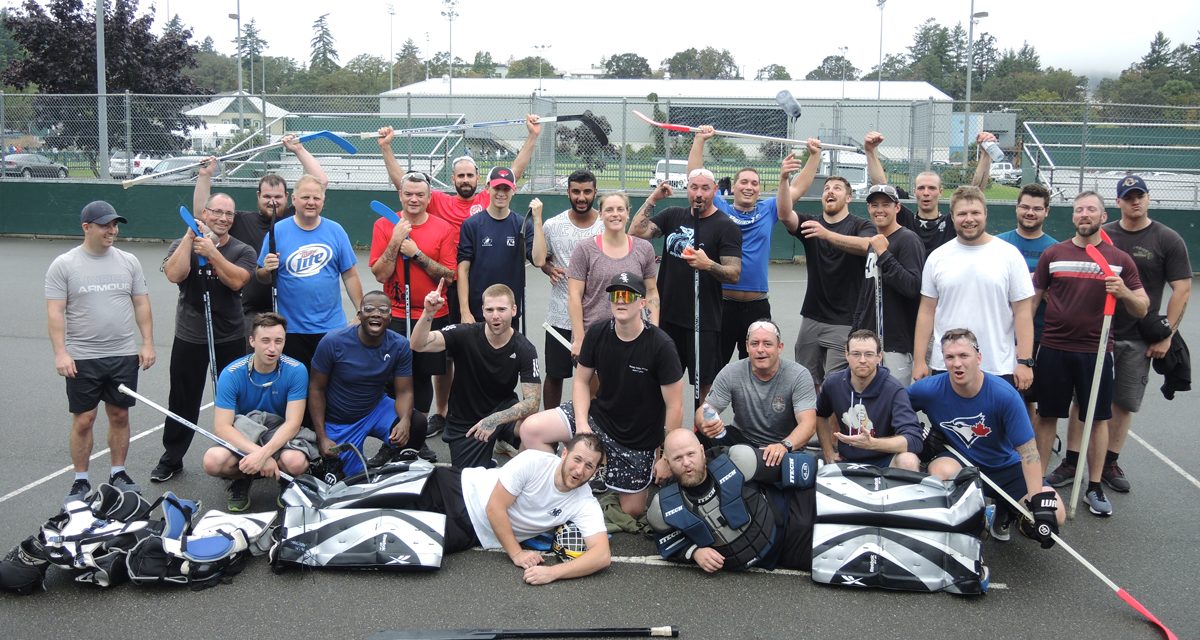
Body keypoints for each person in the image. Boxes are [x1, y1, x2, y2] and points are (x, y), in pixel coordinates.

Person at [518, 272, 684, 518]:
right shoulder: (597, 333)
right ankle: (562, 483)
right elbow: (582, 382)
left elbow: (675, 407)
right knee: (531, 429)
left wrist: (666, 457)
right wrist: (583, 424)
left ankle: (601, 469)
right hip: (599, 418)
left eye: (627, 295)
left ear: (642, 303)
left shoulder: (661, 346)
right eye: (616, 295)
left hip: (636, 438)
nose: (620, 300)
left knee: (633, 511)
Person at [1032, 191, 1148, 517]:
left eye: (1091, 210)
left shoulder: (1120, 259)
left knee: (1096, 418)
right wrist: (1024, 347)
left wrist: (1123, 291)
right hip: (1053, 347)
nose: (1084, 214)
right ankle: (1039, 482)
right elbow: (1033, 300)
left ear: (1102, 216)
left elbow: (1141, 307)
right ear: (1073, 217)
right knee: (1046, 415)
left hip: (1096, 352)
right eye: (1079, 209)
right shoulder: (1053, 254)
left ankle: (1094, 486)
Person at [1085, 175, 1191, 492]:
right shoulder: (1102, 235)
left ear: (1147, 198)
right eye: (1128, 197)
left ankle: (1109, 463)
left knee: (1124, 403)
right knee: (1086, 400)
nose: (1135, 201)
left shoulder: (1167, 239)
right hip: (1096, 334)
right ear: (1117, 202)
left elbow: (1182, 290)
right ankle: (1077, 460)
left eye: (1140, 195)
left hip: (1136, 336)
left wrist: (1166, 334)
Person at [909, 329, 1064, 546]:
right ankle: (969, 521)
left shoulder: (1004, 395)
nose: (957, 363)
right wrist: (917, 435)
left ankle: (1006, 510)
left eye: (964, 356)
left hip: (1004, 467)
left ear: (979, 357)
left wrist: (1037, 500)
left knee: (1055, 512)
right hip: (960, 462)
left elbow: (1029, 453)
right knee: (940, 472)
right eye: (950, 357)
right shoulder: (928, 390)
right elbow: (897, 411)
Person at [389, 434, 611, 585]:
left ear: (594, 471)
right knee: (381, 495)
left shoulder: (584, 502)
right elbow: (495, 506)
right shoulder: (534, 461)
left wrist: (552, 573)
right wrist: (516, 553)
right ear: (564, 454)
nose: (580, 470)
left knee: (391, 541)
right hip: (457, 487)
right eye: (577, 459)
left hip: (469, 530)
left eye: (589, 466)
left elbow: (601, 556)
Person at [46, 201, 156, 504]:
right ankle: (81, 480)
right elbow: (55, 312)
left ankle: (118, 472)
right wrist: (61, 353)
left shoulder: (129, 261)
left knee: (120, 414)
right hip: (82, 356)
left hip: (122, 354)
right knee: (84, 419)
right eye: (106, 225)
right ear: (87, 227)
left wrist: (147, 342)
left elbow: (141, 303)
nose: (113, 230)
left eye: (115, 225)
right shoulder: (64, 265)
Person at [151, 194, 256, 483]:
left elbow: (237, 281)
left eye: (229, 214)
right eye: (217, 212)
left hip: (229, 335)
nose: (223, 219)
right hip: (191, 334)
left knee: (235, 397)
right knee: (183, 398)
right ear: (205, 214)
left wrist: (212, 252)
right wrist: (189, 237)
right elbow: (174, 274)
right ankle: (172, 456)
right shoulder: (181, 244)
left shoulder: (242, 249)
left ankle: (237, 453)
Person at [193, 134, 328, 339]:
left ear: (287, 197)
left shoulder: (296, 216)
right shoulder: (241, 220)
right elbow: (201, 212)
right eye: (267, 197)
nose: (272, 202)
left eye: (277, 197)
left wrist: (298, 150)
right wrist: (205, 175)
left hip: (291, 310)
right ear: (258, 197)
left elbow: (321, 183)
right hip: (251, 311)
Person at [630, 168, 743, 407]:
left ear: (714, 190)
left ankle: (702, 436)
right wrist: (653, 198)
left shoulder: (726, 227)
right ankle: (661, 438)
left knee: (704, 384)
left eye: (705, 188)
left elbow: (733, 273)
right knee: (661, 379)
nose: (699, 194)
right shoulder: (673, 215)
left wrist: (708, 264)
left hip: (703, 321)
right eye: (694, 187)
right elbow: (636, 232)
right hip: (668, 318)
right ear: (687, 189)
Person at [687, 127, 800, 363]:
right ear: (734, 186)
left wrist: (815, 156)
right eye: (744, 182)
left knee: (755, 368)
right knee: (716, 367)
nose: (749, 187)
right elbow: (696, 177)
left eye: (755, 183)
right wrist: (699, 140)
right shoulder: (721, 208)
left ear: (760, 189)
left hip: (757, 306)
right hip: (724, 304)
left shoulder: (769, 209)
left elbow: (796, 190)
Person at [912, 186, 1035, 388]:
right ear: (952, 217)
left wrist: (1024, 361)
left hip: (998, 367)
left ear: (985, 214)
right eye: (962, 213)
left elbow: (1022, 312)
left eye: (975, 212)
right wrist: (919, 361)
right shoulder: (937, 258)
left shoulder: (1009, 255)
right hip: (948, 366)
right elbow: (926, 311)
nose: (969, 219)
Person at [410, 282, 541, 469]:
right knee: (470, 480)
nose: (495, 315)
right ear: (482, 310)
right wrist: (428, 313)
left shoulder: (525, 349)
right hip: (465, 420)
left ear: (514, 310)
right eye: (490, 309)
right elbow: (418, 344)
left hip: (502, 412)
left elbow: (532, 402)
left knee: (537, 432)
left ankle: (510, 448)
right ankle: (486, 459)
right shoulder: (465, 334)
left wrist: (494, 420)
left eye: (502, 309)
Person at [646, 430, 817, 572]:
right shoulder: (665, 505)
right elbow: (666, 540)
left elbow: (803, 470)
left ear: (701, 450)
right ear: (667, 462)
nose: (687, 462)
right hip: (785, 556)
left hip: (792, 530)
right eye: (678, 458)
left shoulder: (737, 462)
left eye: (691, 454)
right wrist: (694, 552)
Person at [779, 140, 875, 386]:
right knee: (805, 384)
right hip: (811, 319)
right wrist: (783, 180)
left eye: (837, 188)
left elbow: (866, 246)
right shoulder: (810, 223)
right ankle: (808, 426)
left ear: (849, 197)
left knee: (834, 388)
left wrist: (827, 235)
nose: (830, 191)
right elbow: (784, 214)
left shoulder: (860, 225)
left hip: (844, 322)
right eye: (826, 188)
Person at [307, 292, 432, 476]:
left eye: (383, 310)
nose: (376, 313)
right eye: (369, 309)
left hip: (375, 409)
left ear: (390, 317)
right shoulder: (333, 342)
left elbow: (404, 391)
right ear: (359, 315)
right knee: (348, 481)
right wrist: (322, 436)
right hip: (341, 420)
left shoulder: (399, 345)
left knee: (416, 423)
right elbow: (316, 389)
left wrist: (405, 421)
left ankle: (397, 466)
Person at [368, 171, 457, 422]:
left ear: (430, 198)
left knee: (421, 376)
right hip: (394, 313)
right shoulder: (384, 225)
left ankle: (416, 439)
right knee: (390, 376)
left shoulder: (444, 228)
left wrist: (417, 254)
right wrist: (395, 241)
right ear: (400, 195)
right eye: (408, 194)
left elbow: (449, 276)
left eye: (420, 195)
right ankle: (393, 433)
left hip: (430, 314)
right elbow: (380, 275)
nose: (414, 199)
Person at [202, 312, 312, 512]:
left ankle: (286, 482)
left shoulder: (297, 370)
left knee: (295, 462)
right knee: (212, 461)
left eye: (279, 341)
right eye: (265, 341)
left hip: (279, 430)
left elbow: (293, 423)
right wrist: (261, 455)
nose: (272, 348)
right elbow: (222, 427)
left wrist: (265, 453)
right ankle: (243, 478)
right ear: (252, 341)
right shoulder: (231, 373)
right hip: (245, 430)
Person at [256, 174, 363, 370]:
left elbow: (350, 275)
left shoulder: (336, 231)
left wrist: (360, 311)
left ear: (323, 201)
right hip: (291, 329)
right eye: (305, 197)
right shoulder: (277, 231)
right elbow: (261, 276)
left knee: (329, 385)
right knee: (297, 387)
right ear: (294, 200)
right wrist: (267, 269)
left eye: (316, 198)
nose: (311, 202)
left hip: (331, 328)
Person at [696, 319, 817, 459]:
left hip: (783, 444)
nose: (760, 349)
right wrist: (705, 423)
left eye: (767, 344)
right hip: (743, 439)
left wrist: (785, 445)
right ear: (747, 347)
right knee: (699, 439)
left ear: (780, 347)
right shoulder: (730, 372)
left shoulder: (799, 375)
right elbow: (704, 410)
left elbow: (808, 424)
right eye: (754, 343)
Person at [864, 130, 990, 257]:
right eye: (921, 188)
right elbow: (881, 187)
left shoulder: (950, 223)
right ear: (914, 191)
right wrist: (870, 151)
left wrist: (986, 154)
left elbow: (975, 192)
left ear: (940, 192)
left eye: (932, 188)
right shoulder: (905, 219)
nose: (926, 193)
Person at [566, 191, 660, 359]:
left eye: (620, 209)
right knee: (593, 386)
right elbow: (574, 296)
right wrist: (580, 339)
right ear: (600, 214)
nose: (615, 214)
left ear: (628, 213)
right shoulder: (584, 249)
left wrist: (654, 331)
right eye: (609, 210)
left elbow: (651, 291)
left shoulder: (644, 249)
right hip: (593, 336)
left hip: (633, 337)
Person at [539, 170, 603, 408]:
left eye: (587, 191)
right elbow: (541, 258)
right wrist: (548, 268)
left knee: (594, 375)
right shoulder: (552, 225)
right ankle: (550, 434)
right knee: (555, 375)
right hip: (560, 315)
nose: (581, 197)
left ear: (595, 192)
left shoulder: (606, 225)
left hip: (596, 316)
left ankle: (596, 429)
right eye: (576, 191)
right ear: (568, 192)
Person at [815, 330, 922, 471]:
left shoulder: (894, 390)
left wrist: (872, 443)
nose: (862, 360)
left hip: (884, 460)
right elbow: (820, 414)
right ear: (846, 355)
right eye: (856, 354)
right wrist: (828, 452)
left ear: (879, 357)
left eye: (869, 354)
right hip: (845, 459)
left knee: (908, 461)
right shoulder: (833, 383)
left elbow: (914, 440)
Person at [995, 183, 1058, 421]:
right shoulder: (998, 245)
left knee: (1027, 394)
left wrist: (1039, 287)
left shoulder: (1055, 249)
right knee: (998, 392)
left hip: (1039, 332)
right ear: (1016, 208)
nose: (1030, 212)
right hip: (1001, 331)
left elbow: (1057, 293)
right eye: (1025, 207)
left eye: (1037, 208)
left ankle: (1025, 446)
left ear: (1046, 212)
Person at [853, 184, 925, 385]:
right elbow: (866, 294)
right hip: (868, 343)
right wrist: (854, 334)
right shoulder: (873, 243)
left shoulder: (908, 240)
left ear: (897, 208)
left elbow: (912, 286)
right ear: (868, 208)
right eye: (874, 205)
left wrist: (885, 254)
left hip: (895, 345)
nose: (879, 210)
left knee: (893, 407)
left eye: (886, 204)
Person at [456, 168, 547, 326]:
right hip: (479, 311)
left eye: (506, 189)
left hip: (509, 312)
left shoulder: (522, 225)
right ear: (487, 188)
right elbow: (463, 270)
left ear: (514, 190)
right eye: (497, 188)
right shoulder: (472, 225)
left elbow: (539, 261)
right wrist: (465, 311)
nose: (501, 193)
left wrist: (537, 221)